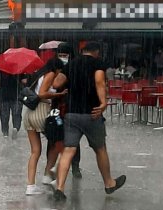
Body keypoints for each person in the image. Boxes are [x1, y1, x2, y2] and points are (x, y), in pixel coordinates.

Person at [52, 42, 126, 201]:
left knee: (69, 150)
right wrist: (103, 102)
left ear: (82, 51)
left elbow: (56, 83)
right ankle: (109, 183)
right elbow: (99, 81)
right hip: (92, 113)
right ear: (96, 52)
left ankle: (59, 188)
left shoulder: (71, 64)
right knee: (100, 148)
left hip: (72, 113)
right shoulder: (97, 63)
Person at [23, 58, 67, 195]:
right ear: (57, 68)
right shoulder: (50, 75)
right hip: (42, 111)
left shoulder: (39, 75)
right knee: (61, 141)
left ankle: (30, 186)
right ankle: (50, 173)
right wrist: (59, 94)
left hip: (29, 114)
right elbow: (42, 93)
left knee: (35, 151)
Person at [42, 43, 83, 187]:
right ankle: (52, 167)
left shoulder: (74, 68)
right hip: (58, 106)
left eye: (65, 55)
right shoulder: (56, 67)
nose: (63, 57)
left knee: (70, 139)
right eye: (61, 54)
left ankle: (73, 166)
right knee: (56, 137)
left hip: (70, 107)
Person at [0, 70, 24, 139]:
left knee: (4, 116)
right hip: (16, 96)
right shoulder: (19, 70)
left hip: (4, 96)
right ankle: (15, 128)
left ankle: (5, 133)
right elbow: (25, 81)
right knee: (17, 114)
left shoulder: (1, 71)